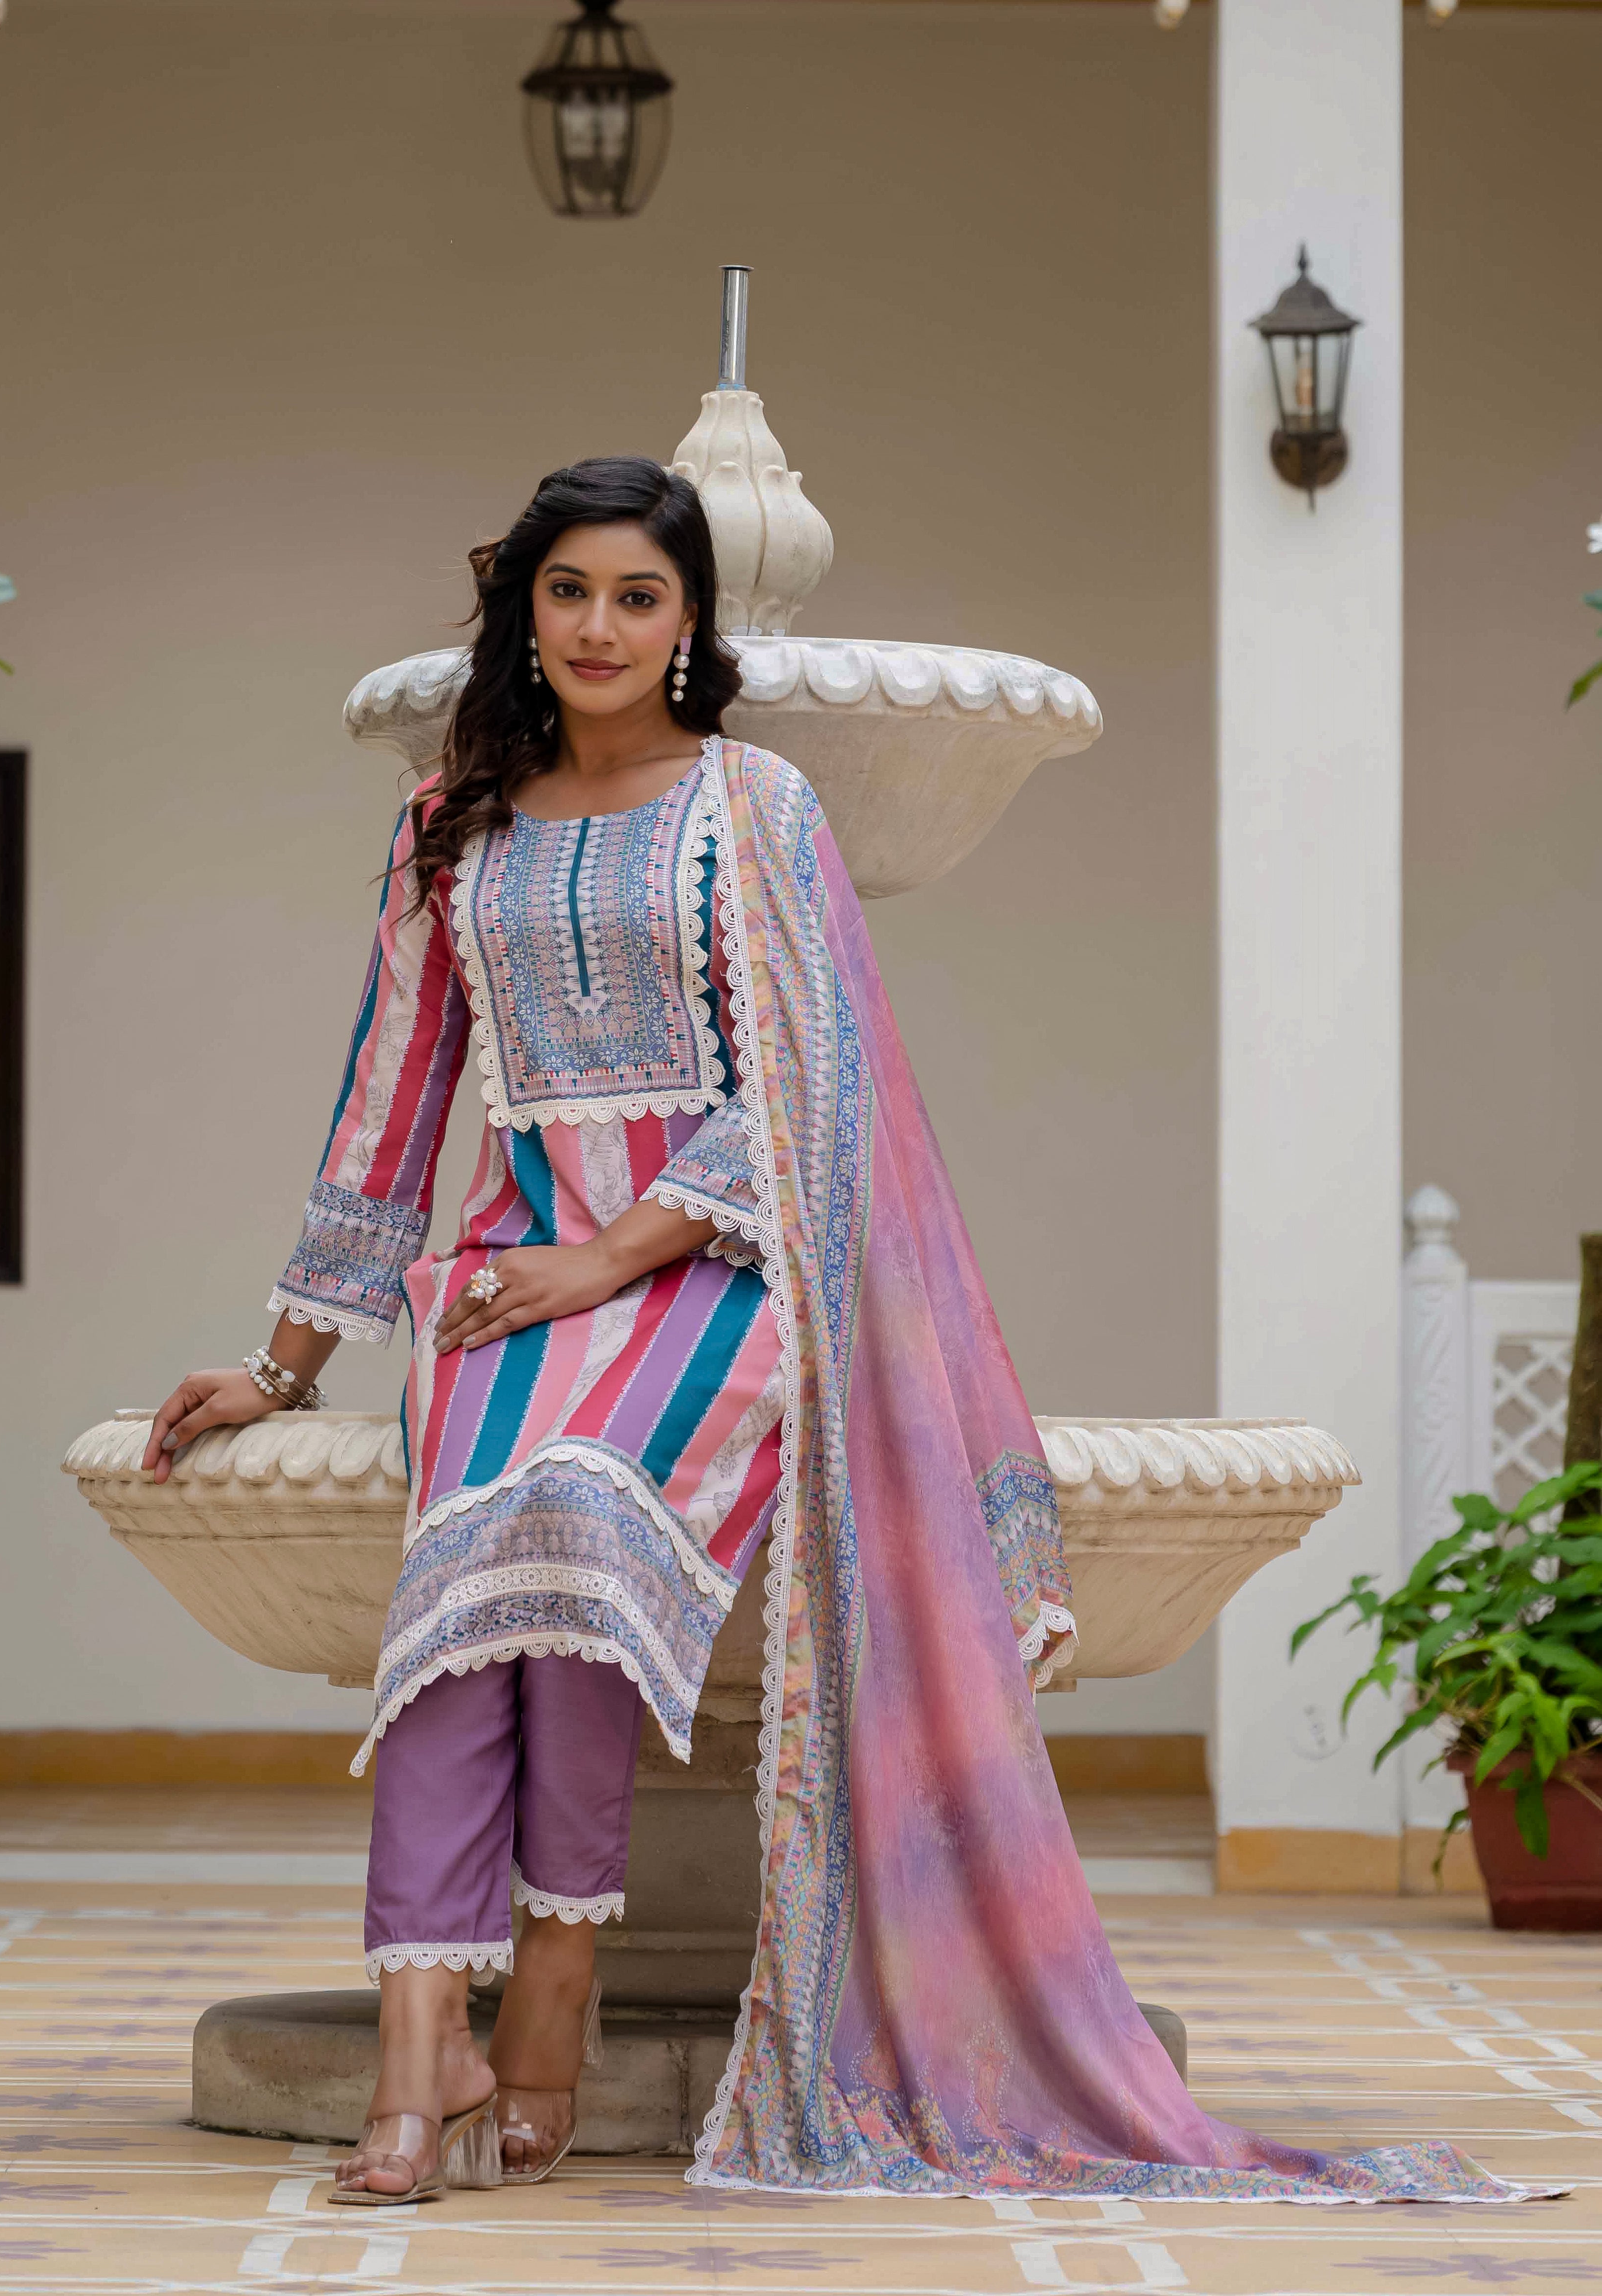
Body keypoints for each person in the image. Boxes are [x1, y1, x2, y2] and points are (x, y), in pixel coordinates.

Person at [144, 456, 1539, 2211]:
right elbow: (390, 1095)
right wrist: (285, 1364)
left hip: (717, 1268)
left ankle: (554, 1993)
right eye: (569, 591)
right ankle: (427, 2046)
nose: (599, 626)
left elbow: (808, 1080)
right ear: (525, 611)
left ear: (689, 626)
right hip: (504, 1267)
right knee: (456, 1598)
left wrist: (610, 1260)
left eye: (638, 597)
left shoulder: (754, 809)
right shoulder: (454, 822)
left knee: (573, 1513)